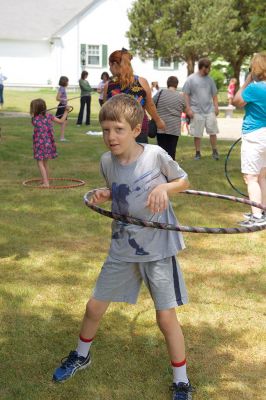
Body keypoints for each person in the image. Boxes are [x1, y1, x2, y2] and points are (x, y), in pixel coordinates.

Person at [52, 94, 194, 400]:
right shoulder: (107, 161)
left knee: (165, 318)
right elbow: (121, 192)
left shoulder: (155, 156)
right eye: (105, 130)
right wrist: (106, 194)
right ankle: (81, 355)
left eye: (117, 129)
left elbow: (183, 181)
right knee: (94, 306)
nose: (110, 137)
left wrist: (164, 187)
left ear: (134, 129)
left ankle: (181, 380)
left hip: (157, 247)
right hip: (123, 244)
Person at [103, 48, 165, 144]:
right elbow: (150, 105)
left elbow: (105, 110)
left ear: (114, 64)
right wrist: (158, 121)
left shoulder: (109, 86)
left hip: (117, 131)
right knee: (140, 157)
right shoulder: (142, 82)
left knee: (120, 158)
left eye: (109, 65)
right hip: (138, 129)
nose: (109, 69)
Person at [232, 52, 266, 227]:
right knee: (262, 176)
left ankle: (257, 217)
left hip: (255, 135)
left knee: (251, 177)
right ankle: (262, 211)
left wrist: (246, 81)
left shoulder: (255, 88)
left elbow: (236, 101)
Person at [183, 58, 219, 160]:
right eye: (208, 68)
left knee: (213, 131)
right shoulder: (191, 79)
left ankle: (215, 151)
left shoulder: (210, 80)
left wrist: (216, 107)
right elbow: (185, 94)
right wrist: (188, 109)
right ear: (203, 67)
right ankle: (198, 153)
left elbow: (214, 95)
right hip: (196, 111)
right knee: (197, 133)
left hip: (209, 110)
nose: (209, 70)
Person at [30, 98, 69, 187]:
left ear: (35, 110)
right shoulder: (49, 116)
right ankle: (46, 180)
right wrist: (66, 111)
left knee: (40, 163)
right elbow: (61, 121)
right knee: (45, 163)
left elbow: (37, 120)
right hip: (48, 144)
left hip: (40, 145)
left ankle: (46, 183)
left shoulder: (34, 119)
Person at [153, 76, 186, 160]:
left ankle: (161, 168)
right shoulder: (180, 97)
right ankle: (170, 170)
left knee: (161, 149)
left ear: (167, 84)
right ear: (176, 84)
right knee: (171, 151)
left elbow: (152, 103)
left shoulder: (160, 93)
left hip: (161, 126)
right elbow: (185, 109)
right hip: (174, 128)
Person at [56, 76, 69, 141]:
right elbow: (57, 98)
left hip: (64, 106)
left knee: (64, 122)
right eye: (67, 81)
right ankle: (62, 138)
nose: (68, 83)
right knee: (63, 122)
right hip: (62, 107)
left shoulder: (62, 88)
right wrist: (64, 99)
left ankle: (62, 137)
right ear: (64, 82)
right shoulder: (62, 88)